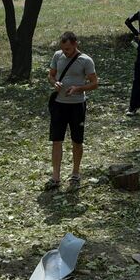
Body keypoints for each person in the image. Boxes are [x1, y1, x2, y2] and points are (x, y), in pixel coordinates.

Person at [46, 31, 97, 190]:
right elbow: (51, 75)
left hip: (77, 105)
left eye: (68, 49)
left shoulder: (86, 60)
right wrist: (54, 83)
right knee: (56, 140)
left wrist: (79, 88)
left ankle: (75, 172)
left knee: (77, 140)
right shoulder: (57, 56)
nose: (65, 52)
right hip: (59, 104)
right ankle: (56, 176)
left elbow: (94, 83)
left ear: (75, 44)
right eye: (63, 49)